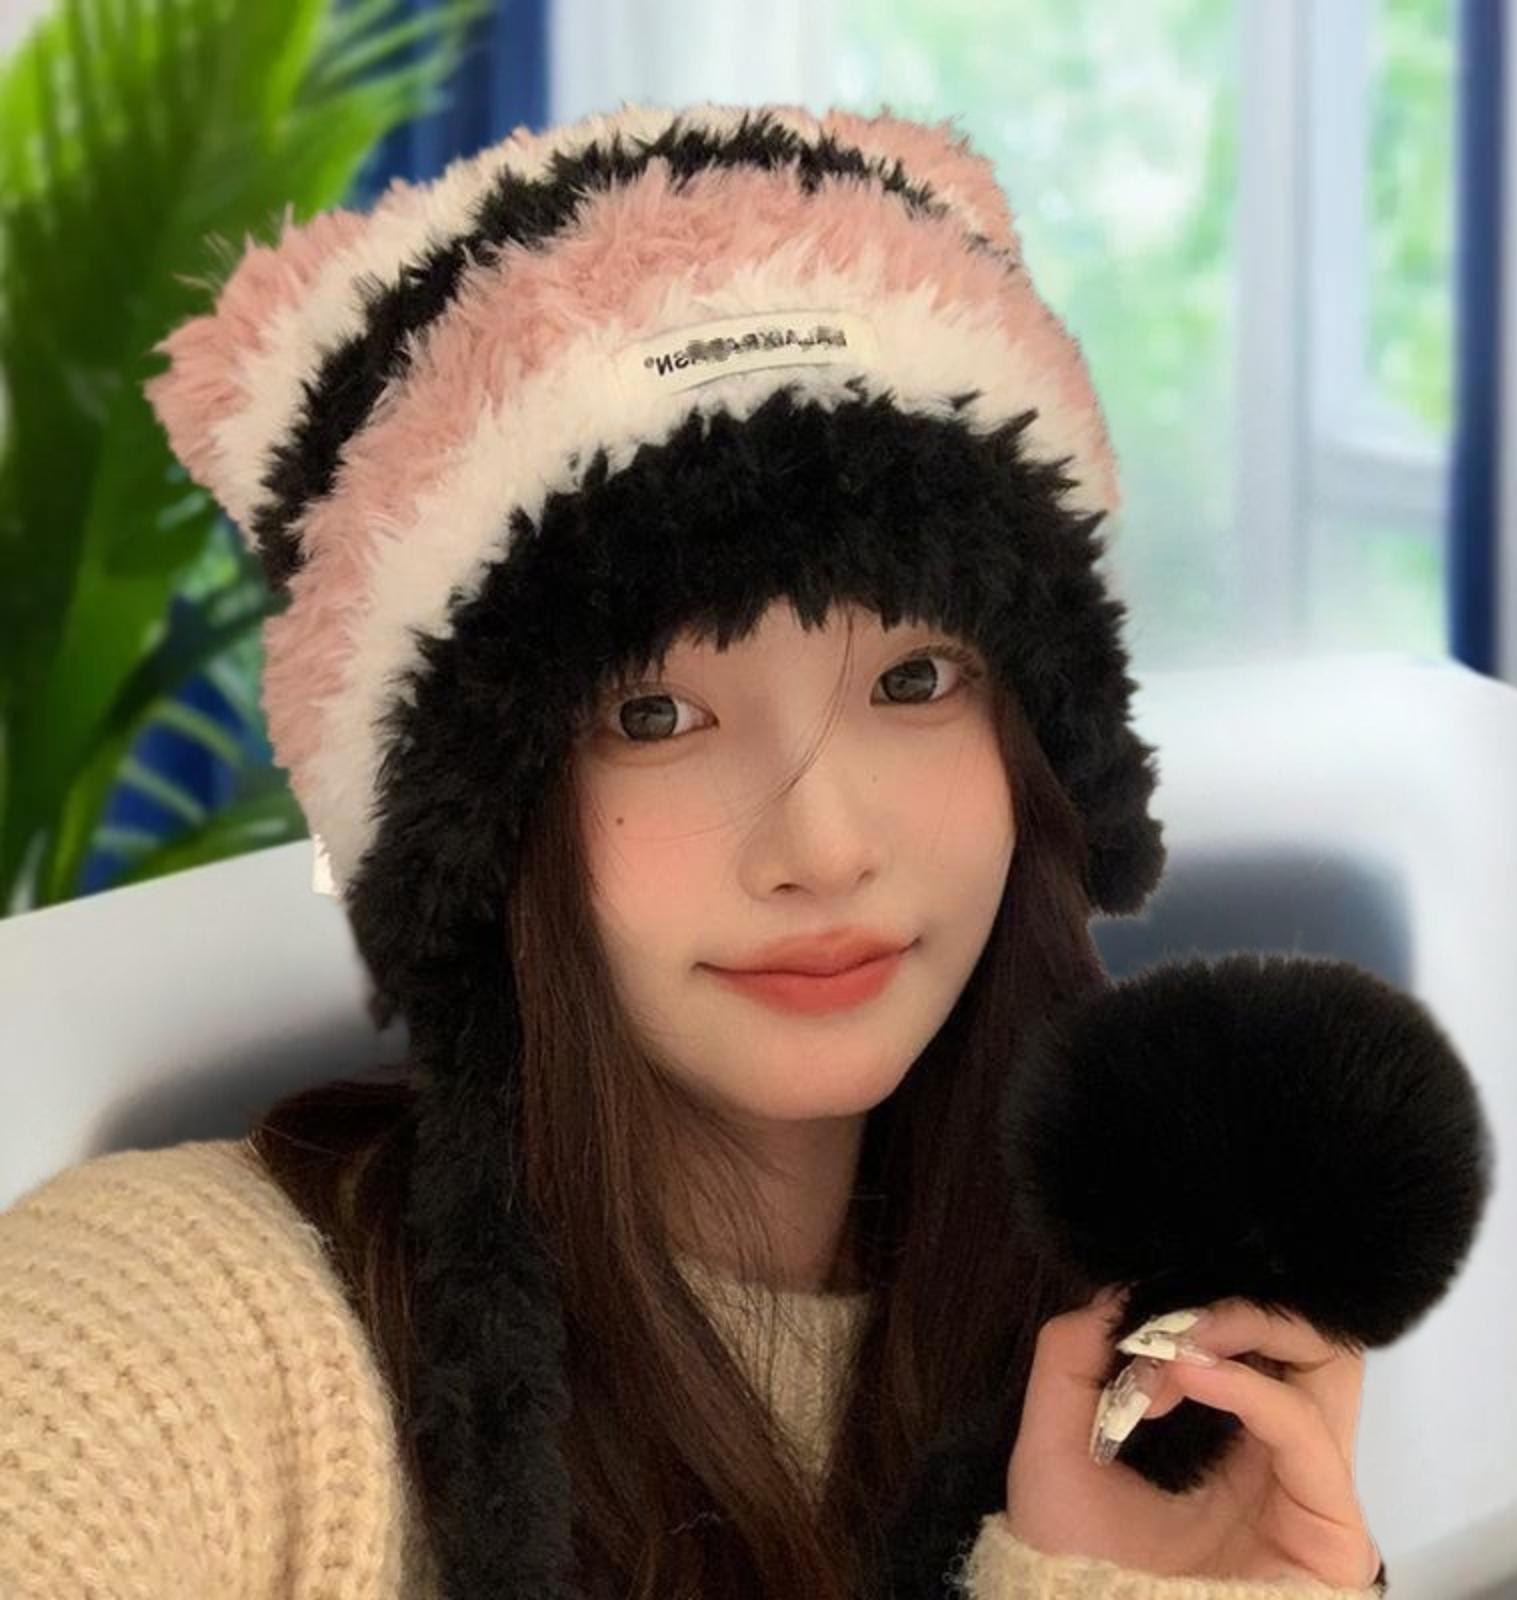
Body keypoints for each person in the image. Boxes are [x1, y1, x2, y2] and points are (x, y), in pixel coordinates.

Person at [0, 102, 1385, 1598]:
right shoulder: (183, 1336)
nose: (824, 847)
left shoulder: (1146, 1368)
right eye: (654, 714)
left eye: (915, 679)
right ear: (480, 822)